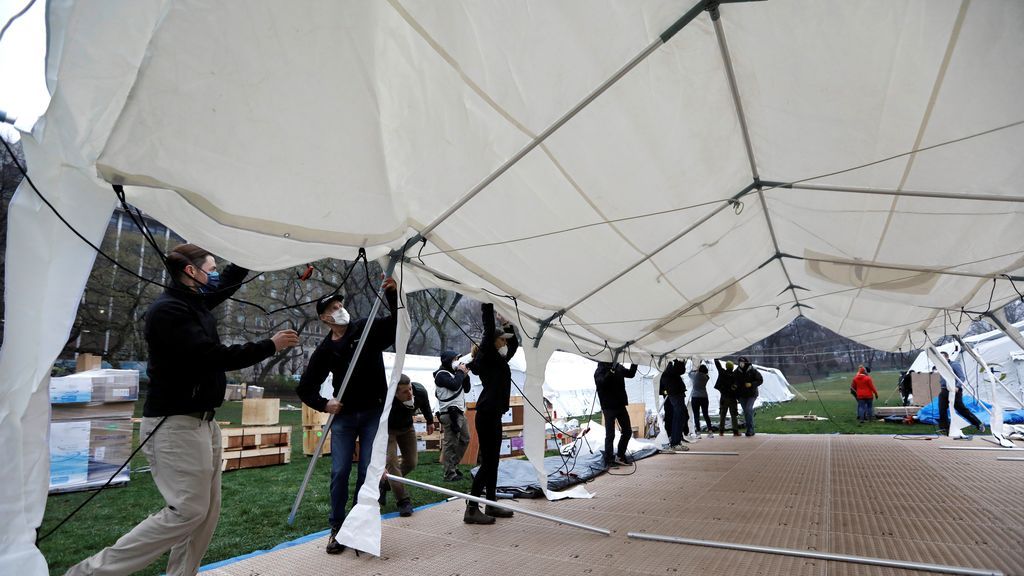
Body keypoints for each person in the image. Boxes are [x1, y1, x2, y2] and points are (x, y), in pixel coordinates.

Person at [65, 244, 299, 576]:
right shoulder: (168, 312)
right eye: (211, 267)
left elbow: (226, 283)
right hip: (174, 424)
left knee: (206, 512)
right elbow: (211, 354)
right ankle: (90, 573)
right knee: (187, 511)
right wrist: (269, 346)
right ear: (191, 272)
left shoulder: (194, 303)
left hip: (204, 423)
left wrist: (252, 254)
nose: (215, 273)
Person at [297, 278, 398, 555]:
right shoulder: (325, 350)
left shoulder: (365, 329)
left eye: (340, 303)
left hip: (372, 413)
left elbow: (396, 325)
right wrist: (324, 404)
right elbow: (304, 388)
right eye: (333, 307)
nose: (339, 308)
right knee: (340, 471)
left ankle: (357, 526)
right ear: (324, 318)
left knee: (368, 472)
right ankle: (337, 528)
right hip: (344, 417)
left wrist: (392, 294)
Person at [463, 303, 519, 525]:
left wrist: (507, 323)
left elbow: (514, 345)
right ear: (493, 342)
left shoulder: (498, 359)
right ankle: (472, 508)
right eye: (502, 339)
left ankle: (491, 504)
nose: (505, 343)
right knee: (488, 463)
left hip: (493, 414)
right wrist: (487, 303)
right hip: (486, 414)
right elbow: (487, 330)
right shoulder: (487, 357)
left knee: (493, 462)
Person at [382, 375, 434, 517]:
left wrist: (430, 421)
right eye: (405, 392)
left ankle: (385, 484)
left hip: (407, 427)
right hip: (388, 430)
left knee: (411, 462)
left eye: (410, 389)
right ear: (395, 393)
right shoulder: (386, 399)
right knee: (392, 463)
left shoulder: (419, 391)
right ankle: (403, 501)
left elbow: (425, 404)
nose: (410, 393)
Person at [434, 350, 472, 482]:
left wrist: (465, 375)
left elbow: (466, 389)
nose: (457, 361)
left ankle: (453, 466)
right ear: (448, 360)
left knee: (465, 439)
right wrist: (460, 373)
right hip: (449, 414)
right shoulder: (441, 375)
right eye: (455, 359)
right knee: (450, 443)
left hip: (459, 412)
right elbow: (455, 385)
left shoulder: (455, 374)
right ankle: (449, 473)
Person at [595, 360, 638, 466]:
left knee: (627, 431)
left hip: (620, 405)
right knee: (610, 434)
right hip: (608, 406)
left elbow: (630, 374)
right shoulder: (600, 370)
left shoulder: (618, 367)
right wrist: (611, 371)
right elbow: (602, 382)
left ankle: (620, 455)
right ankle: (609, 459)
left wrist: (635, 363)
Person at [937, 351, 986, 434]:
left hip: (955, 390)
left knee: (961, 409)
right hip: (944, 390)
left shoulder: (954, 365)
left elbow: (962, 377)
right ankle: (945, 428)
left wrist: (957, 386)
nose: (940, 360)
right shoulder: (941, 366)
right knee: (942, 409)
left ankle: (978, 424)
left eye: (942, 358)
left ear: (947, 357)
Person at [658, 359, 689, 451]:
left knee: (678, 417)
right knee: (678, 417)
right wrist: (680, 360)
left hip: (674, 393)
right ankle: (675, 442)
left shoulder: (667, 366)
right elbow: (680, 370)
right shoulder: (668, 366)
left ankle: (675, 440)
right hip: (675, 393)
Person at [734, 357, 763, 436]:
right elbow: (734, 382)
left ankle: (750, 429)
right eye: (739, 362)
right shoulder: (736, 372)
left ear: (746, 362)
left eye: (742, 362)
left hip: (751, 394)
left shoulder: (752, 370)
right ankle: (749, 429)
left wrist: (751, 384)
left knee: (748, 409)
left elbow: (760, 380)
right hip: (742, 395)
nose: (741, 363)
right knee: (746, 412)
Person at [714, 359, 741, 436]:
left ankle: (721, 431)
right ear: (732, 367)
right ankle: (735, 431)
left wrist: (716, 358)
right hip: (732, 398)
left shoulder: (722, 373)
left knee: (723, 414)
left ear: (726, 367)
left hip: (723, 397)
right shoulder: (734, 375)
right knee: (733, 415)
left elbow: (718, 366)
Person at [689, 362, 713, 438]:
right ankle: (710, 431)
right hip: (704, 397)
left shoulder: (695, 376)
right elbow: (707, 375)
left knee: (696, 415)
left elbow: (689, 373)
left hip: (695, 397)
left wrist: (696, 369)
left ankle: (698, 432)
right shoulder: (706, 377)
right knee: (706, 414)